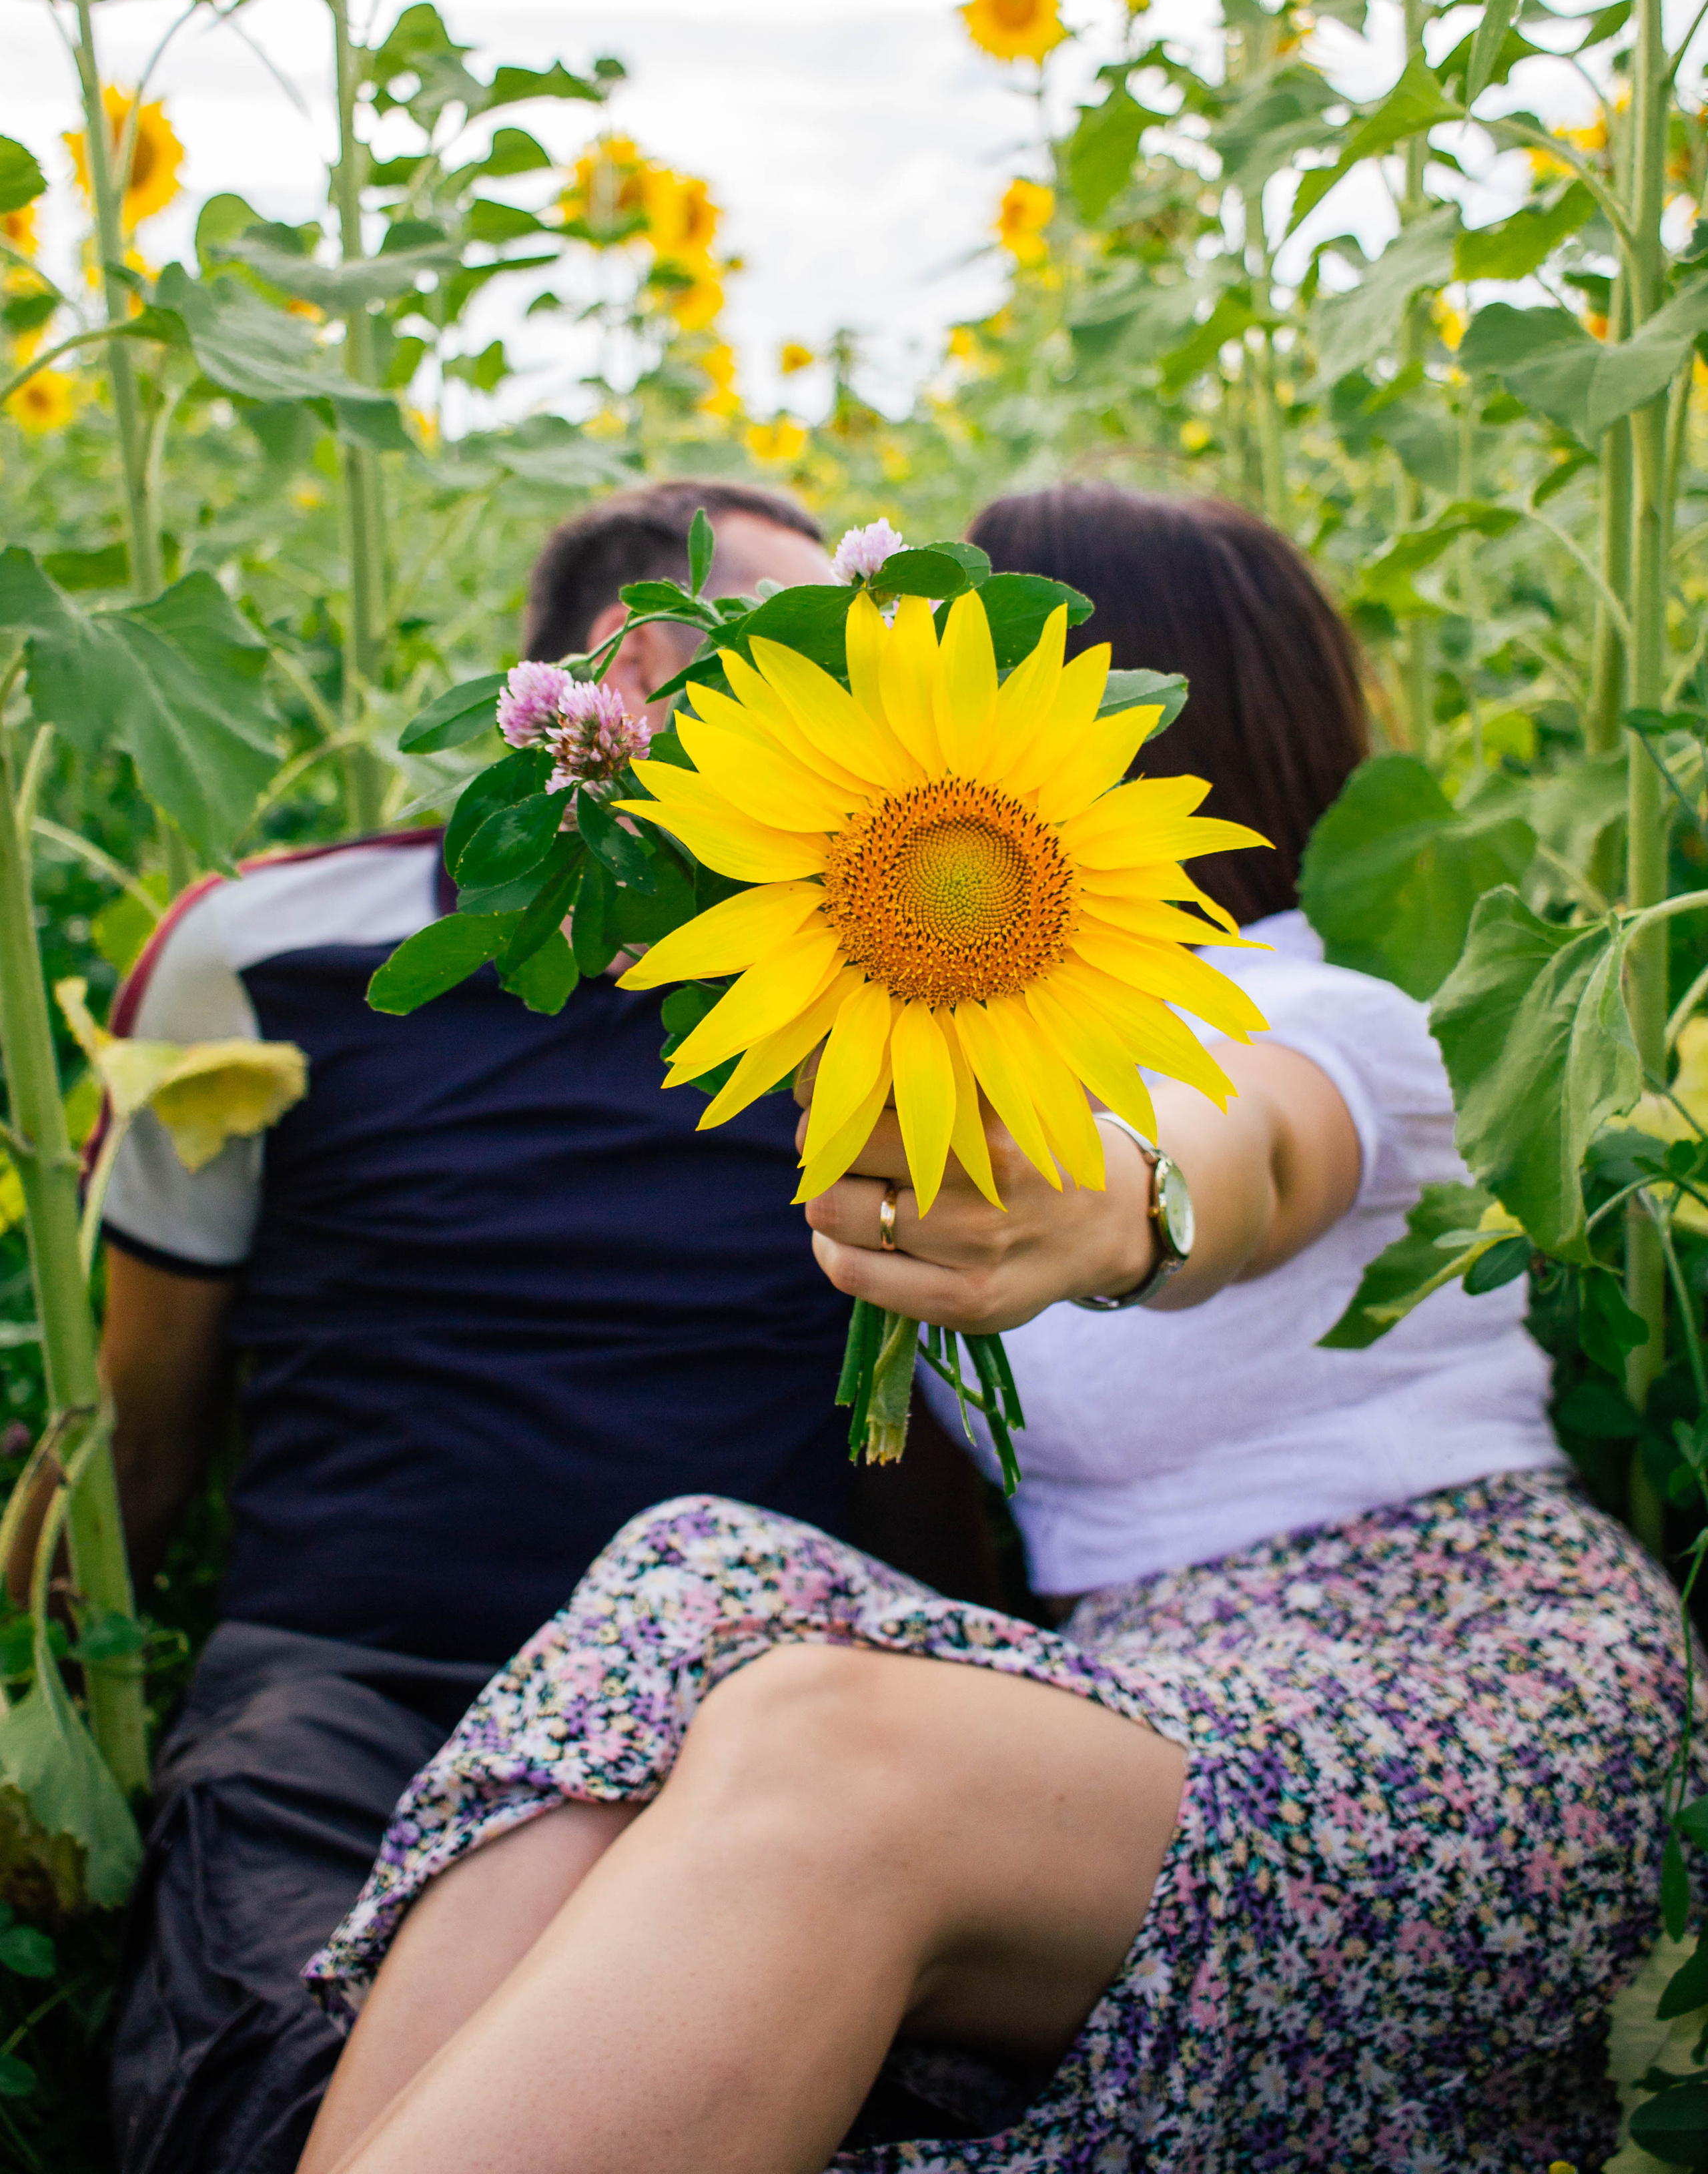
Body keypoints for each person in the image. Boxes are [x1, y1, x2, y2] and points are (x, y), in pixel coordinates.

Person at [294, 485, 1684, 2174]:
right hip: (1156, 1694)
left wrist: (1123, 1215)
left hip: (1457, 1686)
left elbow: (1237, 1151)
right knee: (695, 1578)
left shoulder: (1336, 1010)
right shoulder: (940, 1008)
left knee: (829, 1747)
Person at [91, 478, 1000, 2174]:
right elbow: (143, 1430)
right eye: (810, 661)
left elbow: (923, 1421)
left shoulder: (863, 966)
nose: (864, 721)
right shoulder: (268, 946)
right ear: (628, 668)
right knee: (276, 2097)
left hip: (737, 1722)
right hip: (354, 1691)